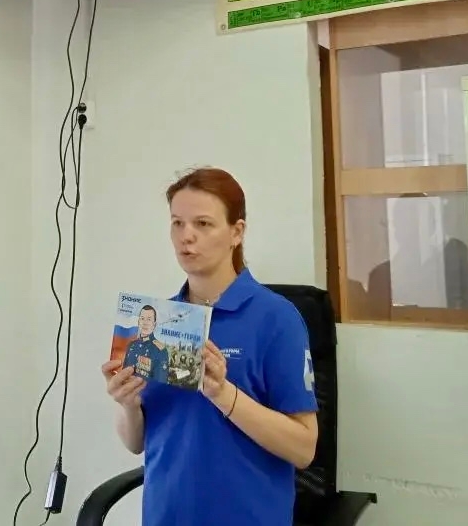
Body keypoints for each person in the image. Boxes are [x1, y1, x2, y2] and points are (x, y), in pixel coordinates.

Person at [101, 167, 318, 526]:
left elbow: (303, 448)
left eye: (203, 224)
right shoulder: (160, 323)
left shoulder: (276, 318)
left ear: (236, 232)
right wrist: (127, 404)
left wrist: (223, 395)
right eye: (177, 223)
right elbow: (136, 443)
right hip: (166, 515)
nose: (186, 236)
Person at [122, 304, 169, 384]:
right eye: (142, 318)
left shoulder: (160, 350)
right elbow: (123, 375)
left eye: (149, 319)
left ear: (154, 324)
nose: (145, 323)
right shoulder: (132, 345)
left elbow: (160, 384)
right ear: (138, 322)